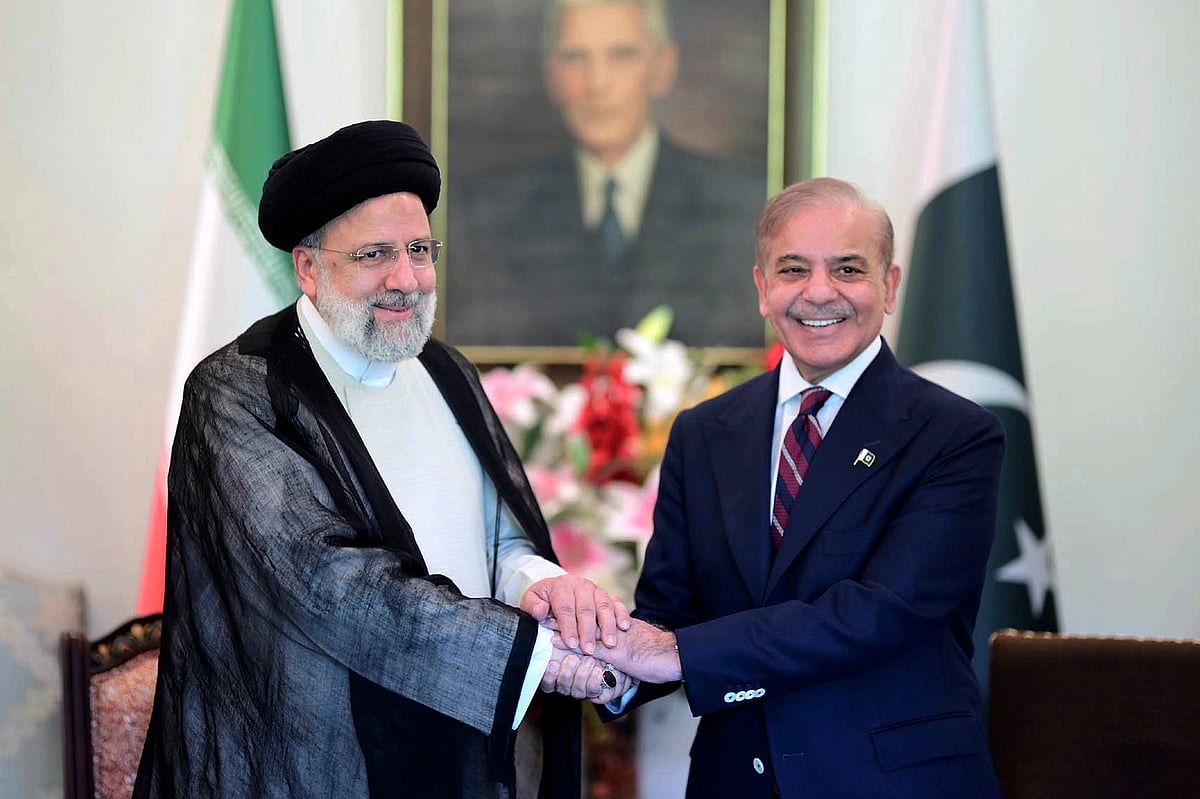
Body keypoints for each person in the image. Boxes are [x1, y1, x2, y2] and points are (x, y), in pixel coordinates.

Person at [133, 120, 633, 799]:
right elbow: (329, 585)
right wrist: (539, 656)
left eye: (420, 250)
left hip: (457, 750)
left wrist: (537, 584)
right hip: (318, 764)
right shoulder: (240, 391)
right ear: (309, 267)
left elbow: (497, 534)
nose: (406, 279)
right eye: (374, 254)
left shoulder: (446, 369)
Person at [577, 178, 1007, 797]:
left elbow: (879, 613)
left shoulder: (956, 435)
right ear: (763, 288)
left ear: (889, 286)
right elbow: (670, 613)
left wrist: (674, 655)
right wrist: (604, 668)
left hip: (890, 782)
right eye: (794, 269)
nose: (819, 292)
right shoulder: (704, 433)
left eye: (848, 269)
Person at [448, 0, 766, 347]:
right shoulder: (490, 212)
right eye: (574, 58)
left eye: (622, 55)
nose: (597, 83)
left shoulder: (739, 206)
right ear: (551, 74)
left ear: (663, 67)